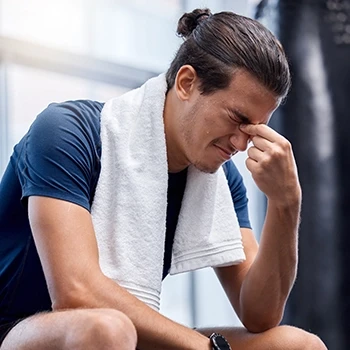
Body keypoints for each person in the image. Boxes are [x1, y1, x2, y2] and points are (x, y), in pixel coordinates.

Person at [0, 7, 327, 350]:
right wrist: (206, 348)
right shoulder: (66, 132)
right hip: (21, 330)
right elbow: (76, 292)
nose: (241, 144)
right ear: (187, 83)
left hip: (122, 332)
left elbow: (259, 314)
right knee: (104, 330)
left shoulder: (218, 176)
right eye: (237, 119)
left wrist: (286, 201)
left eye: (254, 130)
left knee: (299, 345)